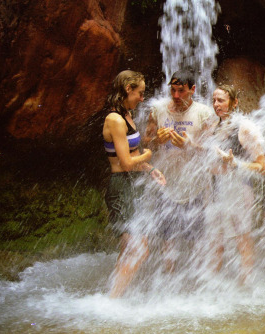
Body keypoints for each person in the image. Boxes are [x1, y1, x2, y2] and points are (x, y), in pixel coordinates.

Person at [103, 70, 166, 298]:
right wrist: (147, 156)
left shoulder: (128, 116)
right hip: (120, 187)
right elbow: (127, 162)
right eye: (139, 93)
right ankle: (112, 301)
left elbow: (134, 155)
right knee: (139, 249)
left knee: (129, 248)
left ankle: (114, 297)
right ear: (127, 89)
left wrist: (151, 170)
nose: (142, 98)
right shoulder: (115, 120)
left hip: (130, 186)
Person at [144, 69, 213, 272]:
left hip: (195, 183)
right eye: (172, 90)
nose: (175, 96)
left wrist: (189, 145)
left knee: (197, 235)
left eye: (181, 91)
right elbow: (146, 142)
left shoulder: (204, 113)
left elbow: (211, 148)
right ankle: (169, 274)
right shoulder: (158, 110)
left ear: (192, 90)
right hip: (166, 182)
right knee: (167, 235)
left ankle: (197, 278)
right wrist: (158, 139)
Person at [205, 84, 265, 284]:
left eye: (221, 100)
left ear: (234, 102)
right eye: (214, 100)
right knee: (216, 239)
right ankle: (211, 284)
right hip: (218, 190)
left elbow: (262, 166)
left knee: (242, 238)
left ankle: (246, 284)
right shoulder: (215, 126)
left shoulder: (245, 127)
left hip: (240, 190)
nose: (216, 104)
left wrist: (236, 163)